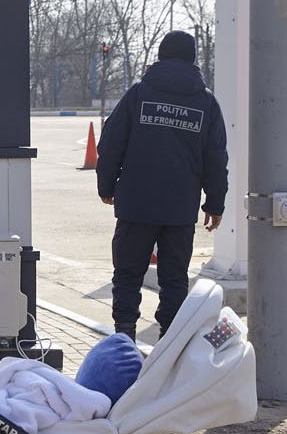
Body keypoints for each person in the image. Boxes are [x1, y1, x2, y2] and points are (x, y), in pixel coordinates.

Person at [95, 30, 228, 340]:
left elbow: (111, 143)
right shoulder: (207, 103)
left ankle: (124, 336)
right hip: (180, 208)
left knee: (127, 274)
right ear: (193, 58)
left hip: (136, 204)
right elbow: (216, 157)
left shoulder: (138, 94)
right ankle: (169, 341)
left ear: (161, 55)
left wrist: (106, 186)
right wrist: (215, 203)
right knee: (175, 278)